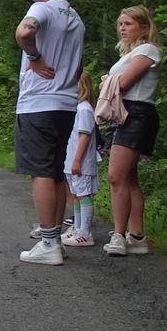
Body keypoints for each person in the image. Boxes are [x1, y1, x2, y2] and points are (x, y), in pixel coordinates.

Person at [14, 0, 85, 267]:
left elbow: (23, 32)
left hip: (39, 102)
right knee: (56, 172)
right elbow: (79, 64)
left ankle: (47, 243)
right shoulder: (75, 17)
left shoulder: (42, 9)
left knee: (41, 172)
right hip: (66, 104)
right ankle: (55, 239)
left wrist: (34, 57)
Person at [103, 5, 163, 256]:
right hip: (127, 113)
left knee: (116, 176)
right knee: (128, 178)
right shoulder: (129, 55)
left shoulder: (147, 50)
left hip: (137, 113)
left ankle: (118, 235)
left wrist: (108, 81)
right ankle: (137, 235)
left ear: (144, 27)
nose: (122, 29)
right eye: (120, 24)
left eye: (128, 24)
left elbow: (125, 82)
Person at [61, 70, 100, 248]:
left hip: (80, 161)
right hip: (71, 160)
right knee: (75, 194)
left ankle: (85, 232)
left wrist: (77, 160)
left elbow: (84, 136)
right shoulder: (75, 108)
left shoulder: (84, 109)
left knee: (83, 194)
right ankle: (77, 228)